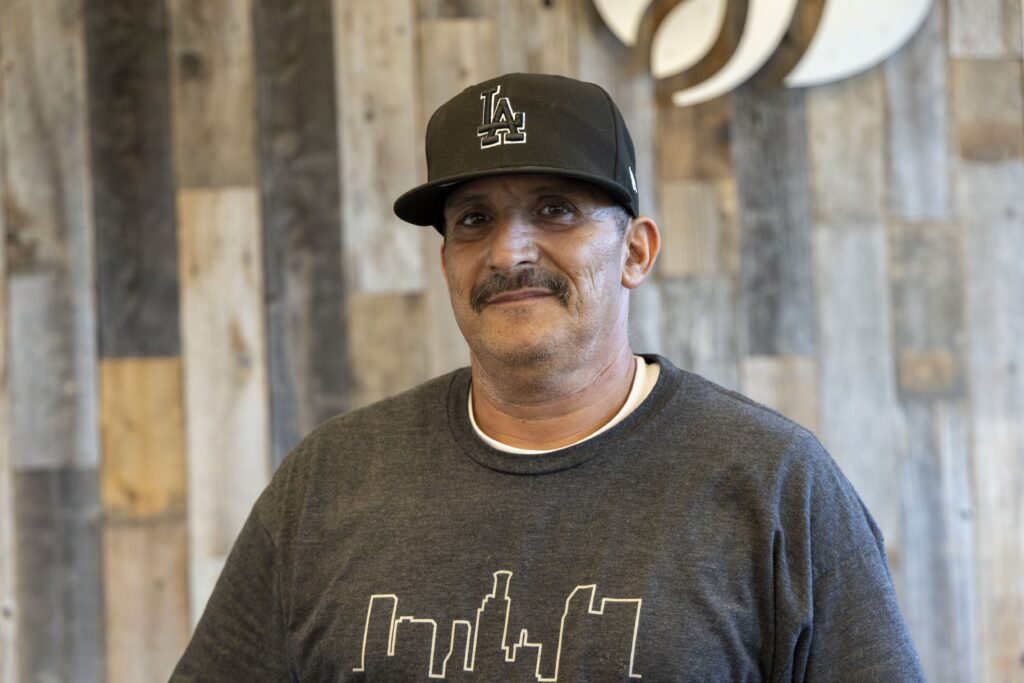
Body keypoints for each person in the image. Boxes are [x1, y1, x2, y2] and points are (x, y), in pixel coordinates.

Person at [172, 72, 924, 681]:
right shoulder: (329, 481)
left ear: (635, 251)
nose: (508, 252)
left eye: (555, 209)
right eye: (473, 219)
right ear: (447, 263)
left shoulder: (774, 483)